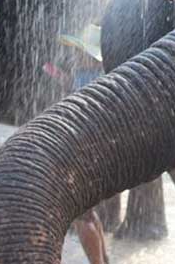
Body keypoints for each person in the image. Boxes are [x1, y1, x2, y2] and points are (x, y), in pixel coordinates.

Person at [42, 24, 110, 264]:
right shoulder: (98, 75)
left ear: (88, 55)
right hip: (96, 153)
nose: (75, 55)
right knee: (90, 212)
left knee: (83, 216)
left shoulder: (87, 78)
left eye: (80, 51)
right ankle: (103, 260)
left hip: (81, 153)